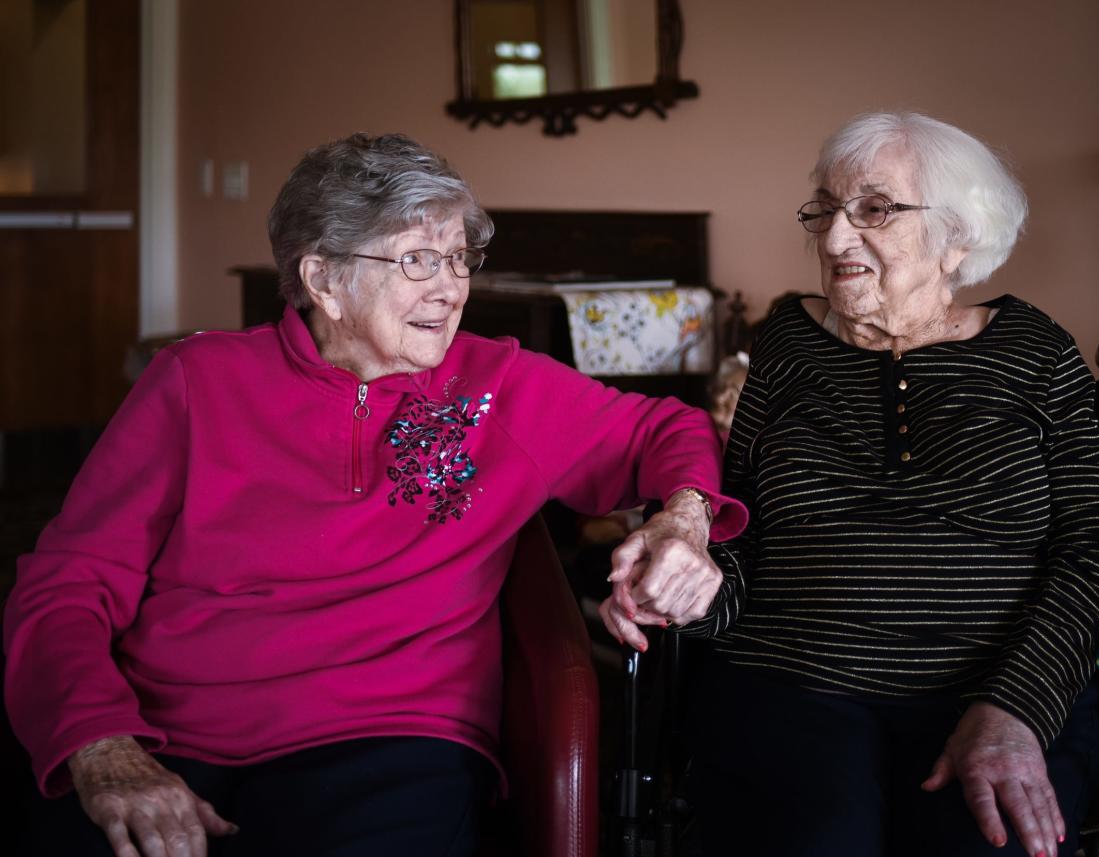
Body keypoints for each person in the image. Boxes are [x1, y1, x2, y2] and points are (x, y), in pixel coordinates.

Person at [4, 132, 745, 857]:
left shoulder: (501, 385)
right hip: (171, 734)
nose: (451, 286)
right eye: (417, 259)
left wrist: (683, 517)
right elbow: (69, 581)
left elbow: (666, 429)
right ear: (322, 279)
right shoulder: (196, 381)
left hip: (393, 742)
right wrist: (103, 747)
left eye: (457, 257)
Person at [602, 112, 1099, 857]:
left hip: (994, 684)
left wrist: (1016, 708)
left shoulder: (1037, 353)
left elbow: (1094, 552)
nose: (835, 239)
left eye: (873, 210)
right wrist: (691, 588)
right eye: (826, 211)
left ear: (958, 235)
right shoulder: (787, 345)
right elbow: (742, 545)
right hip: (790, 683)